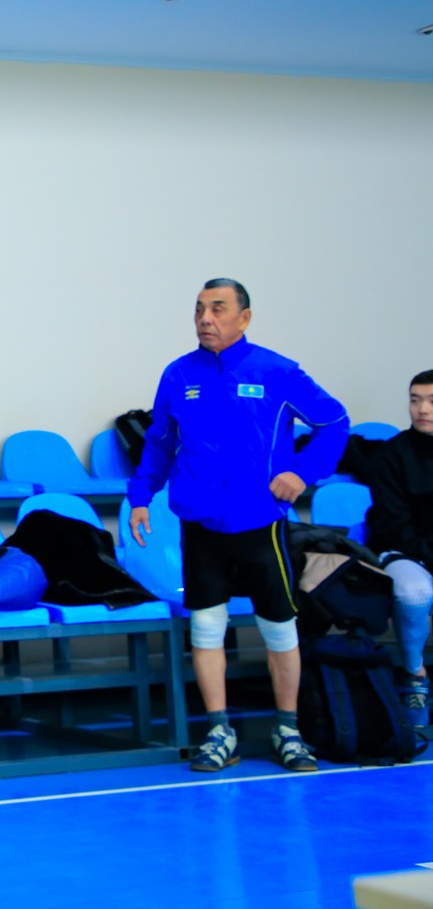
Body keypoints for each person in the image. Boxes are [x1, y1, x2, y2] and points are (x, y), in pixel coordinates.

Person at [128, 278, 349, 773]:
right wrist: (141, 498)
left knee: (279, 627)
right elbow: (159, 443)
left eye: (218, 309)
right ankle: (219, 731)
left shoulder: (277, 371)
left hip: (260, 521)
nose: (205, 319)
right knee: (207, 625)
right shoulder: (178, 374)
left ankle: (288, 729)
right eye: (199, 309)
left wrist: (302, 472)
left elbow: (335, 423)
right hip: (200, 521)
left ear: (244, 317)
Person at [363, 369, 433, 727]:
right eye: (415, 400)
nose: (422, 409)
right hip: (404, 552)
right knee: (414, 592)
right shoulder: (392, 454)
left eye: (432, 401)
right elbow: (394, 525)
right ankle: (414, 673)